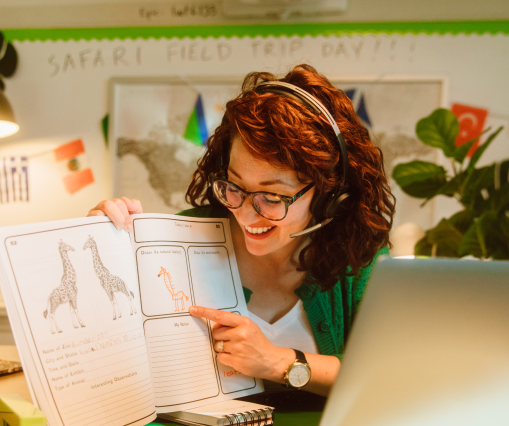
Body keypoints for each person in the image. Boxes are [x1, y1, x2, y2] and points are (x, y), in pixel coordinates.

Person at [88, 64, 395, 396]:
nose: (246, 213)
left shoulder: (359, 254)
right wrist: (102, 244)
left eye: (272, 196)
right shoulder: (183, 239)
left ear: (328, 195)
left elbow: (388, 376)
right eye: (234, 186)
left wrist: (278, 362)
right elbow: (105, 346)